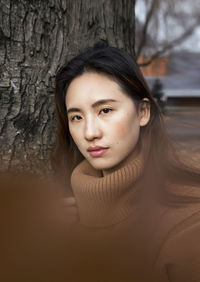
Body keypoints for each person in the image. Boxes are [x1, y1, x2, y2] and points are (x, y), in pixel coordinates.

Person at [51, 40, 200, 282]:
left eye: (105, 111)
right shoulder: (62, 220)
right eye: (76, 117)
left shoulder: (189, 222)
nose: (90, 133)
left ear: (143, 112)